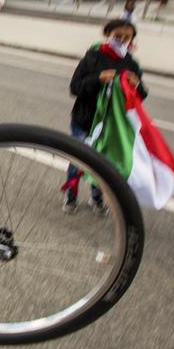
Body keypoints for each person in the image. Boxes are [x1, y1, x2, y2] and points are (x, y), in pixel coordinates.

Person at [64, 19, 147, 214]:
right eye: (118, 36)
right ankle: (71, 192)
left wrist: (137, 86)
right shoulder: (93, 57)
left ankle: (97, 195)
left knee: (104, 163)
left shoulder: (131, 63)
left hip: (112, 125)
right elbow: (75, 87)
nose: (122, 40)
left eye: (127, 37)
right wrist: (97, 79)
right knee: (79, 158)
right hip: (85, 120)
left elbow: (141, 96)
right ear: (108, 34)